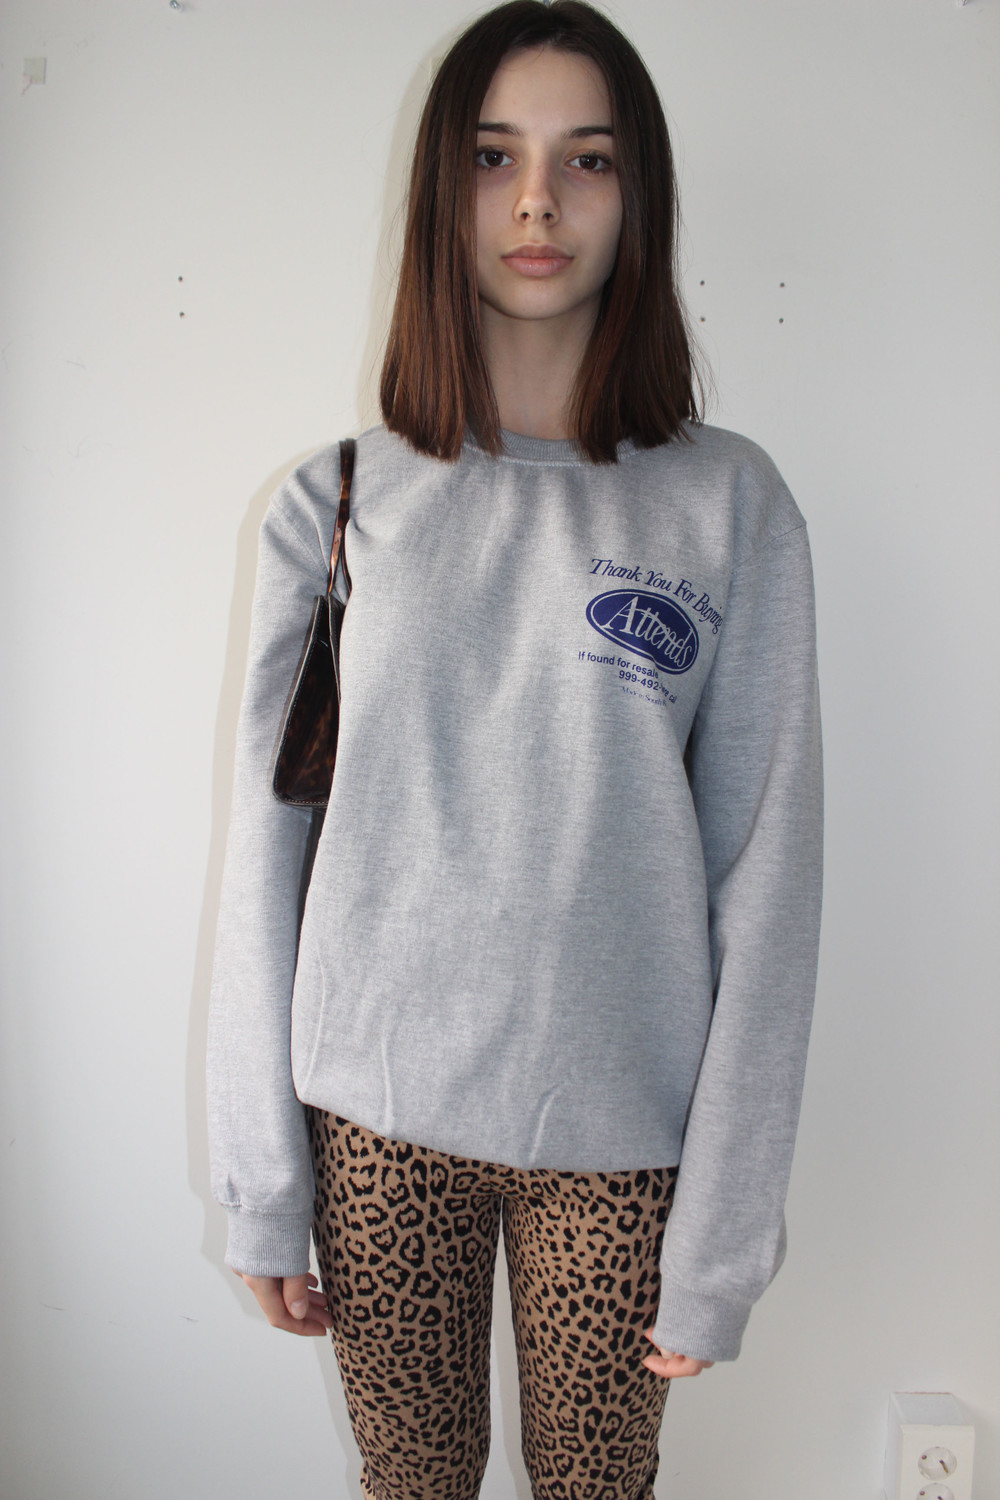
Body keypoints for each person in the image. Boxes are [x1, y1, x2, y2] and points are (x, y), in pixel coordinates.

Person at [207, 3, 823, 1496]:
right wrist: (262, 1185)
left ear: (637, 192)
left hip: (621, 1135)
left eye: (585, 159)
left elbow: (768, 878)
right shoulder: (336, 505)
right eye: (494, 157)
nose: (537, 201)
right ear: (442, 186)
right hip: (375, 1121)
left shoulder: (729, 507)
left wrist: (723, 1239)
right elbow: (268, 850)